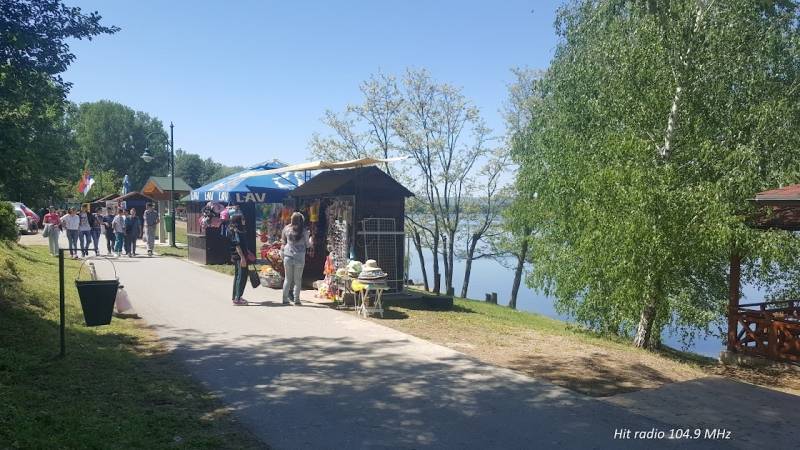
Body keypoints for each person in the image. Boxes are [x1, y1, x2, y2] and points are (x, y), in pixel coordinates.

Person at [281, 212, 312, 306]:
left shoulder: (286, 229)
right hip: (299, 257)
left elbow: (283, 241)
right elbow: (307, 245)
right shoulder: (304, 231)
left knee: (287, 279)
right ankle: (296, 299)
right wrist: (311, 240)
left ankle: (285, 298)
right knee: (298, 280)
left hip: (288, 256)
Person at [228, 215, 249, 305]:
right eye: (242, 219)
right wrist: (243, 258)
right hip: (240, 257)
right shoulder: (236, 231)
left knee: (237, 277)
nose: (244, 221)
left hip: (236, 257)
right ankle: (238, 298)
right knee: (242, 276)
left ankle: (236, 296)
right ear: (238, 221)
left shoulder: (234, 229)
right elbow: (237, 245)